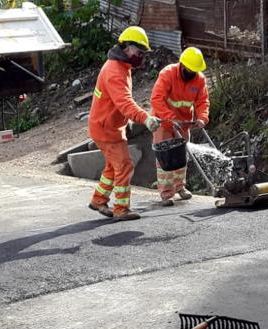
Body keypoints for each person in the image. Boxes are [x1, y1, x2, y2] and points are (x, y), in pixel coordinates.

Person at [88, 26, 161, 222]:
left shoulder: (121, 66)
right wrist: (145, 118)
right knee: (125, 166)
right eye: (139, 52)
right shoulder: (115, 71)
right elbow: (125, 102)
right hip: (106, 128)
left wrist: (127, 119)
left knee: (114, 166)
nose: (141, 57)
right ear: (128, 48)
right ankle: (121, 209)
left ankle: (98, 200)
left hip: (106, 125)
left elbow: (118, 102)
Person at [150, 47, 210, 205]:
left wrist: (202, 118)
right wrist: (169, 118)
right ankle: (166, 194)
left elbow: (202, 101)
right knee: (166, 159)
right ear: (182, 65)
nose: (192, 73)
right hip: (163, 122)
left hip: (183, 123)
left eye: (195, 71)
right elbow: (156, 99)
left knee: (182, 156)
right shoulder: (167, 74)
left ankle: (180, 187)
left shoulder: (199, 79)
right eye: (190, 70)